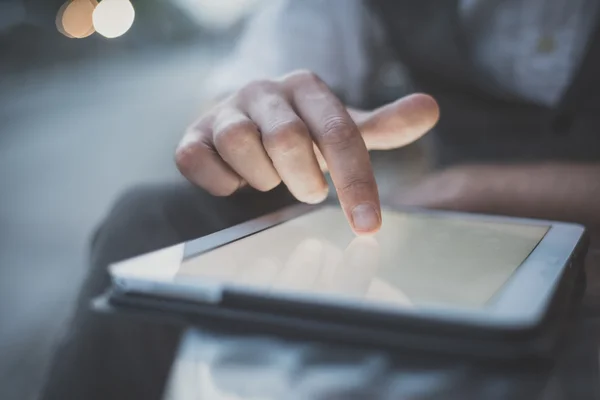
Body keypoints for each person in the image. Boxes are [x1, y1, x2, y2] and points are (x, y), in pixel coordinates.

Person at [41, 0, 600, 399]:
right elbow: (248, 82)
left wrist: (474, 188)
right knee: (156, 215)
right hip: (446, 226)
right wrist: (248, 118)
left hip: (487, 213)